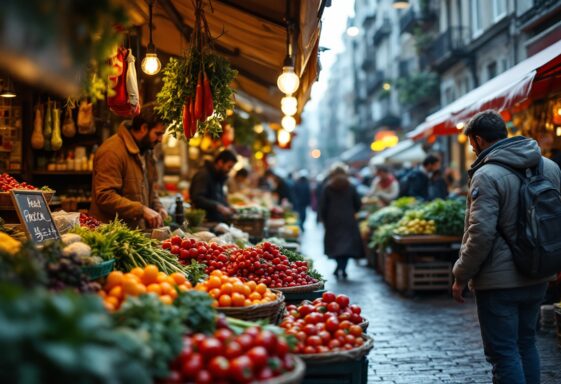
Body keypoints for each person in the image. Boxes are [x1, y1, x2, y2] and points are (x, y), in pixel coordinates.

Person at [452, 110, 561, 384]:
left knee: (503, 353)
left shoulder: (486, 174)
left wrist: (461, 273)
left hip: (498, 282)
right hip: (539, 271)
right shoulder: (549, 166)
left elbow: (480, 234)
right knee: (526, 343)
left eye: (471, 143)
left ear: (478, 139)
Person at [90, 105, 167, 229]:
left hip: (134, 234)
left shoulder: (146, 150)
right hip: (111, 236)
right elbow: (105, 196)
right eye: (158, 134)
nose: (161, 139)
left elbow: (150, 188)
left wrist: (159, 207)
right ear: (144, 128)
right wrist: (141, 210)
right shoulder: (111, 151)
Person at [319, 163, 363, 279]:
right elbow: (358, 203)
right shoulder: (351, 186)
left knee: (336, 245)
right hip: (348, 218)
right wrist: (353, 211)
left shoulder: (328, 187)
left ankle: (339, 266)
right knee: (347, 245)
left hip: (332, 219)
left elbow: (322, 205)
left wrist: (322, 219)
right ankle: (343, 268)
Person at [189, 149, 238, 223]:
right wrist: (218, 207)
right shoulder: (203, 175)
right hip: (206, 221)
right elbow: (197, 198)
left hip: (217, 220)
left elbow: (218, 197)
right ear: (220, 162)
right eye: (229, 166)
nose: (229, 170)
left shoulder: (218, 176)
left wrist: (228, 206)